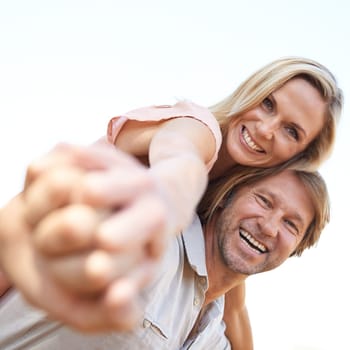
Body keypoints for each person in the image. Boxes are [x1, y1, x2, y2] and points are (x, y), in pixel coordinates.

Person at [0, 56, 343, 347]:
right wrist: (167, 197)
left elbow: (234, 302)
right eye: (268, 103)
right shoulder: (199, 128)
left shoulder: (225, 202)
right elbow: (180, 158)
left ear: (300, 156)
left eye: (291, 131)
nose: (266, 129)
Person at [0, 148, 329, 349]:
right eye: (263, 200)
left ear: (298, 247)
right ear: (229, 193)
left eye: (291, 225)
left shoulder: (216, 337)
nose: (269, 227)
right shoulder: (152, 236)